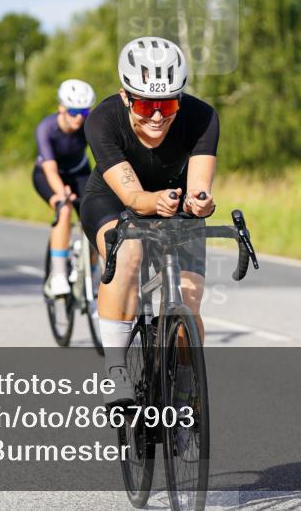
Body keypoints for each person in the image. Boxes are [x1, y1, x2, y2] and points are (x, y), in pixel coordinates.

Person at [81, 37, 218, 402]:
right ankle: (115, 370)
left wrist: (200, 202)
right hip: (113, 201)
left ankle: (187, 387)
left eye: (168, 103)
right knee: (129, 253)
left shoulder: (201, 116)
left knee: (188, 298)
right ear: (126, 96)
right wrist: (151, 202)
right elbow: (133, 197)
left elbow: (200, 185)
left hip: (173, 203)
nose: (157, 116)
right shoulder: (103, 120)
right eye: (145, 104)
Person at [33, 79, 96, 297]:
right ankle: (58, 275)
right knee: (64, 207)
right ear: (62, 108)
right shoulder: (46, 128)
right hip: (48, 173)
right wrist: (61, 192)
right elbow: (50, 169)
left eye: (85, 112)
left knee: (96, 217)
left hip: (79, 173)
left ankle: (91, 273)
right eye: (74, 111)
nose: (79, 117)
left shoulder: (88, 126)